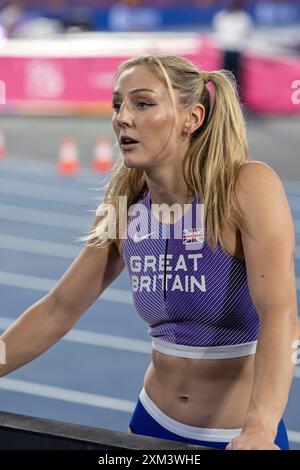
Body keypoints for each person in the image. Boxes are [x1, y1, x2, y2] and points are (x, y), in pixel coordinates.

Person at [0, 54, 298, 450]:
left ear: (191, 118)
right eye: (117, 104)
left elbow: (281, 312)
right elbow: (59, 309)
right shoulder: (125, 203)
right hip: (150, 426)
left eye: (142, 103)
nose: (122, 117)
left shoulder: (246, 186)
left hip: (238, 436)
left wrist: (259, 428)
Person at [212, 0, 254, 100]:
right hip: (225, 53)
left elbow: (246, 35)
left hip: (237, 53)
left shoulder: (244, 18)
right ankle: (222, 99)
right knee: (224, 77)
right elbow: (219, 34)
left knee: (237, 79)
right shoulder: (221, 17)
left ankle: (238, 101)